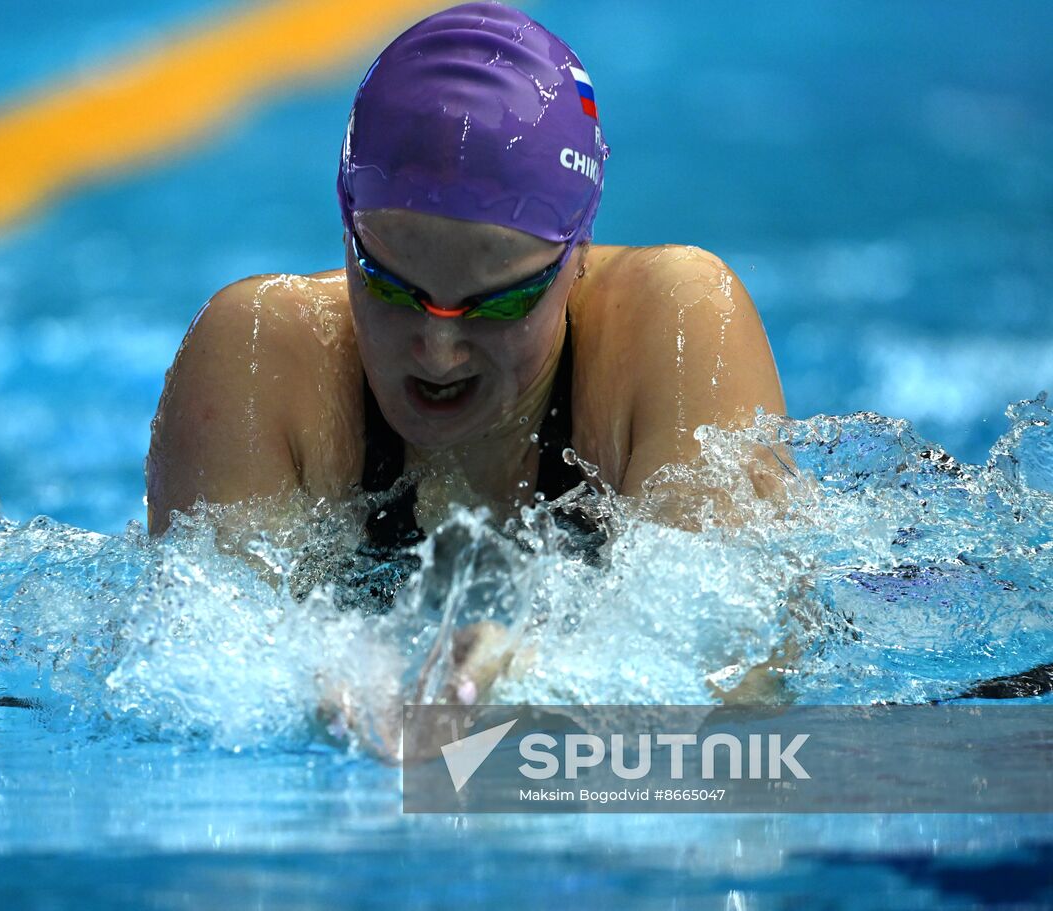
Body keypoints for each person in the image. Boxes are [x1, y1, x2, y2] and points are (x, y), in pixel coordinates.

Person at [145, 2, 787, 710]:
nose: (440, 349)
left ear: (576, 255)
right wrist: (307, 684)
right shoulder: (261, 354)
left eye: (500, 302)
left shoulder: (677, 325)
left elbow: (745, 678)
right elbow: (191, 678)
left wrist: (545, 679)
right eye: (392, 285)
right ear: (348, 231)